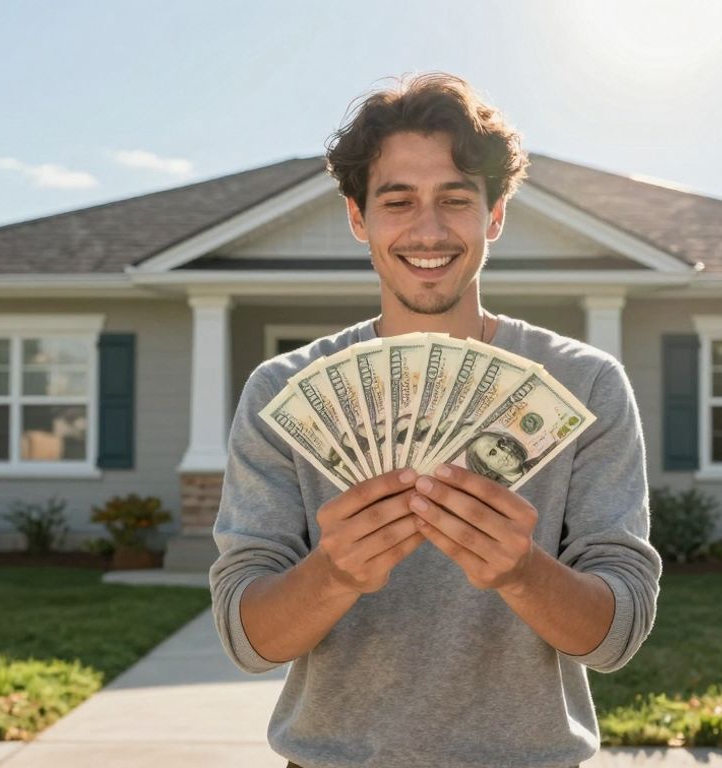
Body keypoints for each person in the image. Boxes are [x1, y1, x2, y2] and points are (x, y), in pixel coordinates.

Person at [209, 71, 662, 768]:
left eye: (455, 199)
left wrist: (520, 571)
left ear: (496, 215)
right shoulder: (283, 390)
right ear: (359, 218)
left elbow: (616, 635)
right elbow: (248, 639)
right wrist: (333, 572)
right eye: (398, 201)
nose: (428, 229)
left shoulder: (586, 384)